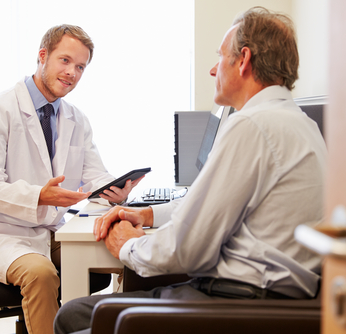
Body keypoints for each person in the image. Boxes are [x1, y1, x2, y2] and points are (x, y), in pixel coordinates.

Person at [54, 7, 327, 334]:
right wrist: (147, 216)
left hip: (234, 303)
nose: (213, 70)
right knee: (79, 313)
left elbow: (187, 248)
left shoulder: (252, 126)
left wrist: (127, 245)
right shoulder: (301, 125)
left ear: (243, 59)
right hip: (270, 300)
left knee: (71, 316)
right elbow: (209, 205)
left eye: (220, 57)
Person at [0, 25, 142, 334]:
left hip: (48, 230)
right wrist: (39, 196)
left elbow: (94, 173)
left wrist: (117, 189)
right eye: (65, 61)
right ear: (42, 56)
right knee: (41, 273)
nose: (72, 72)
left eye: (80, 67)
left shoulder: (75, 118)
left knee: (122, 251)